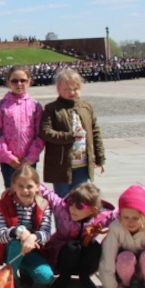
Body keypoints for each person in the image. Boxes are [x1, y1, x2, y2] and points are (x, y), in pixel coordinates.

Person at [0, 164, 57, 288]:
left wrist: (32, 237)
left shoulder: (43, 205)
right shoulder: (5, 204)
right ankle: (11, 283)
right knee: (16, 242)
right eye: (20, 186)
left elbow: (46, 233)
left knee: (46, 277)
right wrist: (19, 231)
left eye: (29, 186)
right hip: (10, 249)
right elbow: (0, 234)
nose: (25, 190)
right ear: (14, 186)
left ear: (37, 187)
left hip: (31, 248)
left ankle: (24, 269)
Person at [44, 182, 119, 288]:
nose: (72, 208)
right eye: (71, 202)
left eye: (79, 206)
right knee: (72, 247)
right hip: (61, 256)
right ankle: (64, 277)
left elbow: (123, 211)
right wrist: (30, 184)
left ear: (92, 210)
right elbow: (49, 195)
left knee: (94, 246)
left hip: (83, 260)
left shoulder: (100, 218)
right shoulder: (64, 210)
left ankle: (84, 277)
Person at [40, 68, 105, 197]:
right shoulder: (52, 109)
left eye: (75, 89)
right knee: (62, 200)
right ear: (58, 89)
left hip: (83, 164)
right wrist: (70, 137)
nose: (72, 92)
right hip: (61, 165)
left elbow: (95, 132)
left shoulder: (86, 107)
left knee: (80, 199)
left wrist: (100, 158)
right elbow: (45, 132)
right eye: (67, 89)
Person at [0, 65, 45, 188]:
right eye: (14, 81)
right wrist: (7, 156)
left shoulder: (35, 106)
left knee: (29, 191)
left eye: (23, 80)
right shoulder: (0, 106)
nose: (19, 84)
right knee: (11, 191)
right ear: (8, 82)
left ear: (29, 82)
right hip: (9, 161)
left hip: (29, 160)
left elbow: (40, 134)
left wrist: (31, 157)